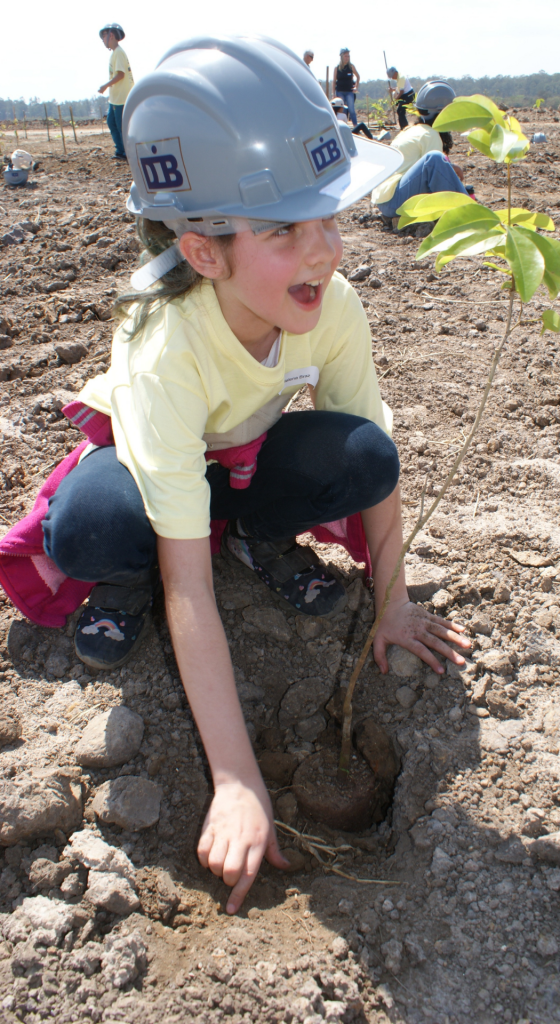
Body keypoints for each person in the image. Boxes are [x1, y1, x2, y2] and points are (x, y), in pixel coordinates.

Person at [28, 37, 469, 914]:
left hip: (243, 463)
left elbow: (375, 470)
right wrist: (234, 778)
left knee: (364, 454)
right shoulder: (164, 347)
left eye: (330, 218)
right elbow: (186, 582)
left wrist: (395, 601)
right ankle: (121, 585)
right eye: (281, 231)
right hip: (156, 467)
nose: (322, 252)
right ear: (203, 252)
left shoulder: (329, 307)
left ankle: (260, 540)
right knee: (88, 527)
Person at [372, 80, 470, 220]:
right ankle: (468, 213)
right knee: (435, 159)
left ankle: (464, 207)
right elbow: (434, 170)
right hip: (394, 201)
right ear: (441, 114)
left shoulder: (413, 130)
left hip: (386, 200)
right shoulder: (430, 134)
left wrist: (452, 169)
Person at [98, 23, 134, 161]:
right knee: (112, 122)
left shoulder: (119, 52)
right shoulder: (115, 54)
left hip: (122, 97)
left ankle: (126, 152)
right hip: (115, 98)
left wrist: (105, 86)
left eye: (104, 36)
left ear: (111, 35)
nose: (103, 40)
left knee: (120, 126)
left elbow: (120, 74)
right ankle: (120, 150)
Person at [333, 48, 359, 126]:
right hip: (340, 91)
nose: (347, 58)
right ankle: (343, 127)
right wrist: (333, 93)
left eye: (348, 56)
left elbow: (358, 76)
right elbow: (334, 81)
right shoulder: (337, 68)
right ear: (341, 56)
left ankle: (355, 126)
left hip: (349, 91)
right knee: (342, 110)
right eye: (345, 56)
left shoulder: (351, 67)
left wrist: (356, 87)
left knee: (351, 110)